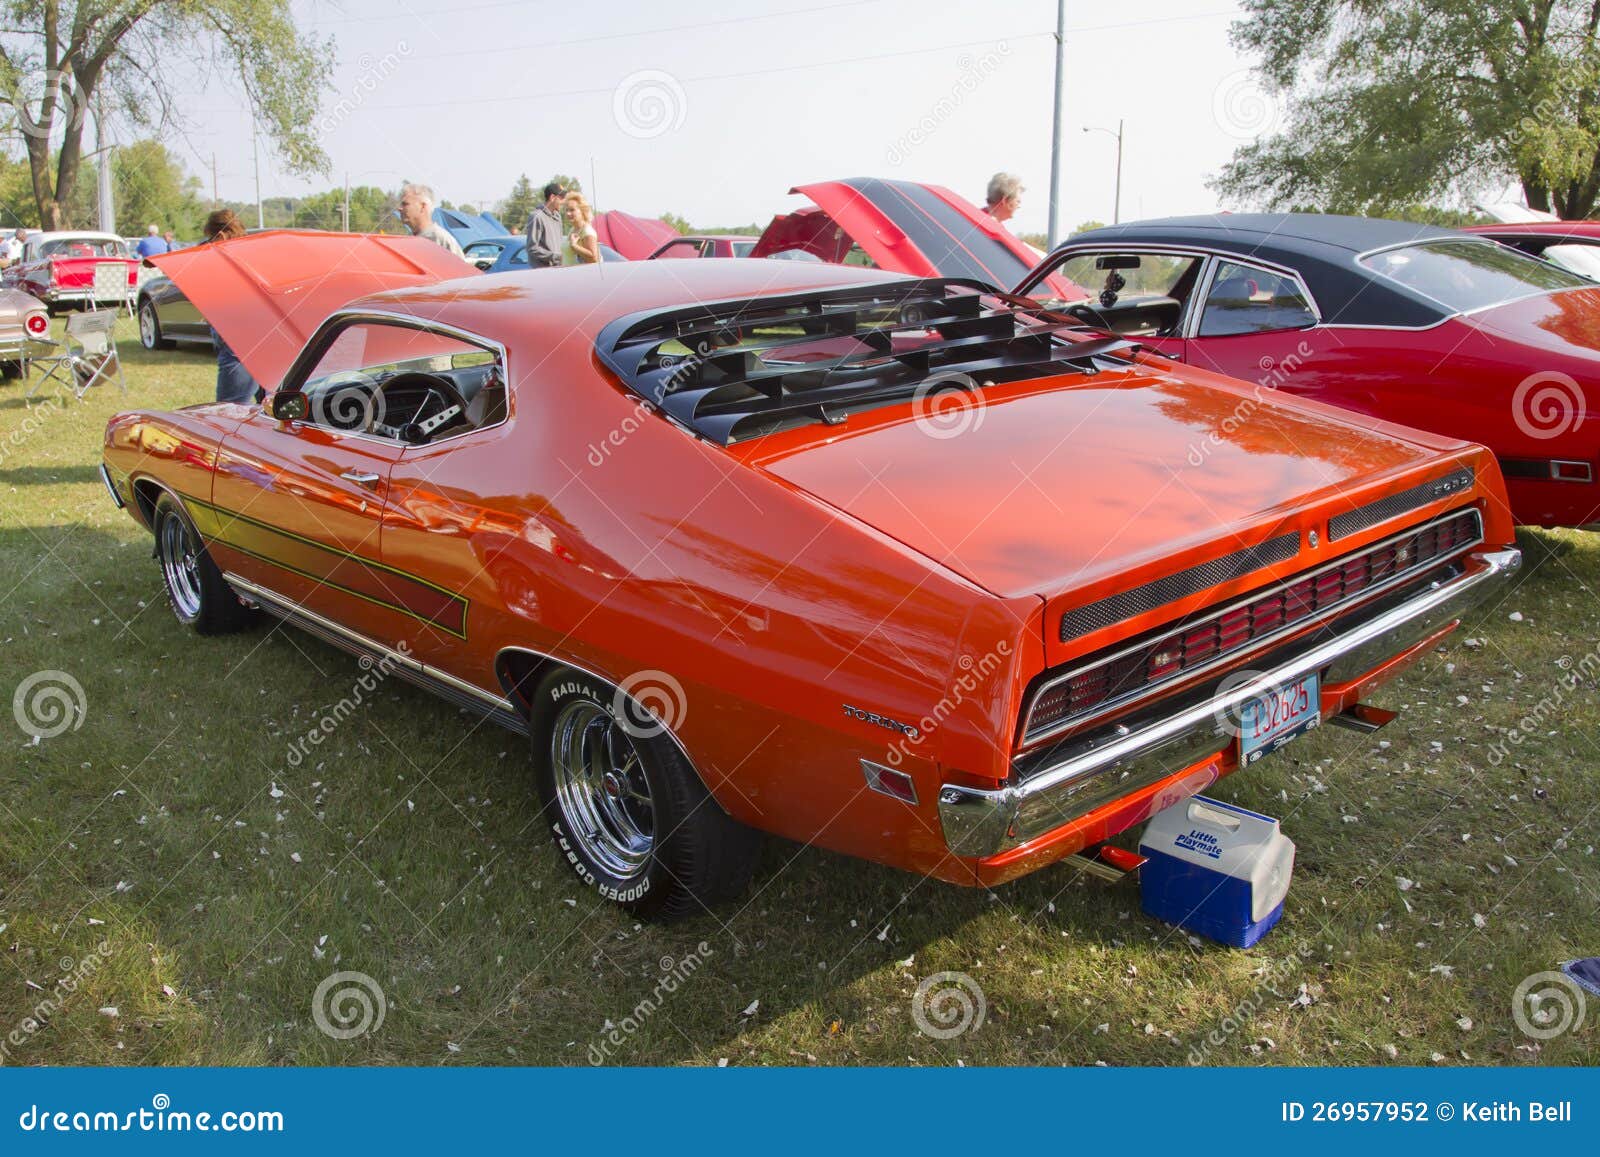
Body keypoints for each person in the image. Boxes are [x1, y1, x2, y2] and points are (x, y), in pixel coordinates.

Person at [200, 210, 265, 405]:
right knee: (273, 410)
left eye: (210, 239)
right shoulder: (254, 257)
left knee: (230, 411)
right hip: (264, 342)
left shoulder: (225, 261)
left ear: (220, 236)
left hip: (238, 343)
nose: (208, 244)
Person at [396, 183, 464, 256]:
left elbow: (459, 263)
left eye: (405, 204)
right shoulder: (408, 240)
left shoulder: (441, 240)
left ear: (422, 207)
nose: (399, 208)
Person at [525, 182, 566, 268]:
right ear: (552, 197)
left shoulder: (558, 217)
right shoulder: (536, 216)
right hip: (542, 271)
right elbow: (532, 248)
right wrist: (555, 257)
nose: (564, 202)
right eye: (562, 198)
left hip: (558, 269)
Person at [565, 191, 600, 264]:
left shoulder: (587, 231)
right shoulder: (572, 230)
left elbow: (594, 259)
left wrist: (574, 246)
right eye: (566, 210)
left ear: (582, 211)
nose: (568, 213)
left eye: (572, 210)